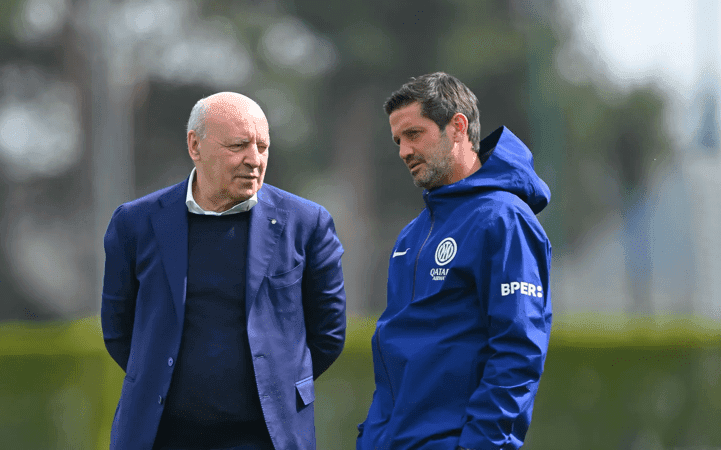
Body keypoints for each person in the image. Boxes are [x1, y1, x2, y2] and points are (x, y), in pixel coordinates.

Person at [101, 92, 347, 450]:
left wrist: (276, 386)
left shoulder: (307, 224)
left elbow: (328, 334)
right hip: (161, 438)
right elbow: (118, 329)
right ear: (195, 146)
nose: (254, 159)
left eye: (262, 146)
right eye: (238, 146)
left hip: (267, 439)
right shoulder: (135, 223)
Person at [356, 72, 552, 450]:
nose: (404, 151)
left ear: (458, 127)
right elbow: (399, 356)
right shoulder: (411, 236)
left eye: (414, 134)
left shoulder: (504, 219)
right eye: (398, 141)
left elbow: (518, 352)